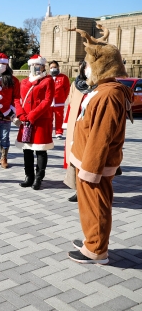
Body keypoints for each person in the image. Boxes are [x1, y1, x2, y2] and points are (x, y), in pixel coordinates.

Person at [65, 25, 132, 264]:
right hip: (86, 159)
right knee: (89, 205)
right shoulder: (103, 89)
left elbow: (101, 136)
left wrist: (91, 170)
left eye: (89, 63)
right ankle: (91, 240)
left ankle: (96, 250)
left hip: (93, 164)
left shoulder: (108, 94)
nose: (86, 67)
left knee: (96, 206)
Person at [15, 55, 55, 190]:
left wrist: (32, 115)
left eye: (38, 65)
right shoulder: (25, 81)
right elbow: (18, 99)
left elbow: (47, 100)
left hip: (41, 120)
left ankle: (38, 178)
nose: (35, 68)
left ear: (44, 67)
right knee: (27, 149)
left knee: (40, 150)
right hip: (26, 120)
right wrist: (21, 114)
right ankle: (29, 176)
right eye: (33, 65)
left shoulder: (48, 80)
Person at [63, 61, 90, 203]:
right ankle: (78, 190)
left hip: (90, 128)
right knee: (76, 159)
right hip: (76, 126)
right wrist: (68, 123)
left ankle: (89, 191)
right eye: (86, 67)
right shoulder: (77, 84)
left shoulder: (100, 86)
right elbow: (71, 104)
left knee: (89, 160)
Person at [49, 60, 70, 139]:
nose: (53, 69)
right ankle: (49, 132)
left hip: (59, 102)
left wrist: (63, 99)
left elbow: (67, 89)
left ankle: (59, 132)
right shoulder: (47, 78)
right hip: (49, 102)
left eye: (55, 67)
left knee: (59, 118)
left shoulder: (63, 77)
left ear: (58, 67)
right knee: (49, 118)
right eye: (51, 67)